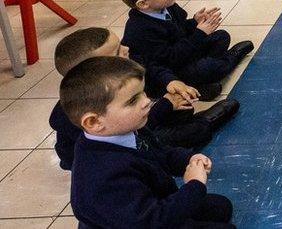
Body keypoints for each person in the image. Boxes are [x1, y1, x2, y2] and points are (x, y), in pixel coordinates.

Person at [63, 56, 234, 228]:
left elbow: (160, 153)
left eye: (142, 93)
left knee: (221, 207)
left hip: (152, 202)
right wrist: (194, 186)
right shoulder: (103, 180)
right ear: (94, 122)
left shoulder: (128, 128)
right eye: (132, 101)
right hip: (149, 220)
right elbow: (152, 221)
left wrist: (188, 159)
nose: (147, 101)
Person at [49, 27, 239, 170]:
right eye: (117, 52)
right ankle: (204, 122)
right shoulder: (73, 116)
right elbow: (133, 129)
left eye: (121, 44)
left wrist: (171, 82)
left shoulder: (122, 70)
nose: (126, 49)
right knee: (191, 132)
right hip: (127, 142)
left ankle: (193, 109)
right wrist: (164, 105)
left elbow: (152, 67)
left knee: (183, 107)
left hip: (137, 124)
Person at [118, 0, 253, 100]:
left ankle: (201, 80)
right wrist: (199, 34)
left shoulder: (167, 6)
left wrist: (195, 22)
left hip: (183, 54)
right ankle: (230, 59)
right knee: (208, 67)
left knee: (221, 36)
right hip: (169, 72)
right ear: (143, 4)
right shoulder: (141, 29)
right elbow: (170, 59)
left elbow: (180, 30)